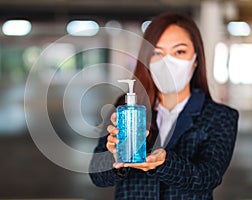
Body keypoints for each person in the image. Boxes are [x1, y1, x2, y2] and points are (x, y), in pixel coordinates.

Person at [89, 12, 239, 199]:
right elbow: (96, 176)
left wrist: (163, 163)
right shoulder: (125, 108)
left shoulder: (221, 116)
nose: (167, 62)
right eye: (157, 52)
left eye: (179, 52)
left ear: (196, 60)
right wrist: (113, 158)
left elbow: (207, 178)